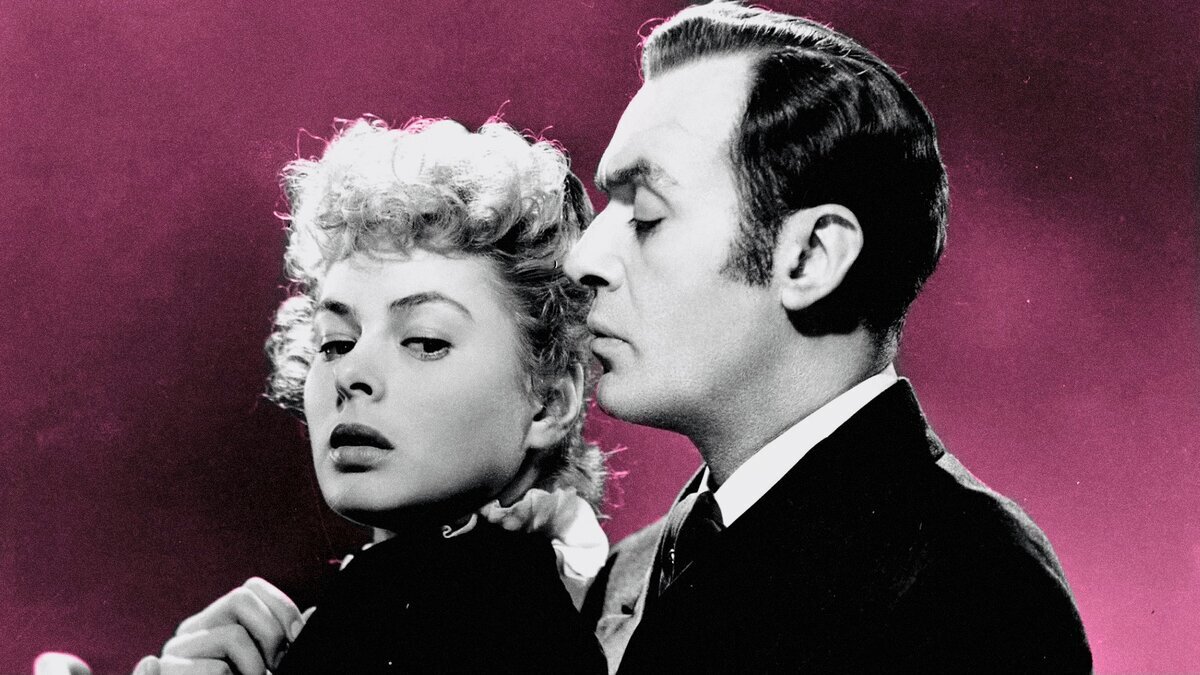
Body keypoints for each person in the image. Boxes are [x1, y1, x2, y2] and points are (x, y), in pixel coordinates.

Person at [571, 2, 1092, 672]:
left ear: (811, 257)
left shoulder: (973, 590)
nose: (582, 259)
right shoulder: (628, 572)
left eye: (645, 212)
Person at [134, 117, 608, 674]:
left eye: (425, 342)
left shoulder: (507, 628)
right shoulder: (382, 610)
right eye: (335, 343)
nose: (351, 372)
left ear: (549, 402)